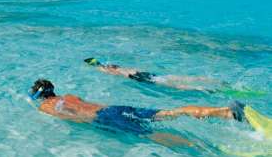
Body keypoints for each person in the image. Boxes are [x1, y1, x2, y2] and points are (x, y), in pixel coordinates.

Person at [29, 79, 249, 147]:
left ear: (38, 95)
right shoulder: (69, 95)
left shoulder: (44, 107)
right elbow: (79, 106)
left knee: (150, 136)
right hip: (113, 108)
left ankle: (201, 146)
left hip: (103, 119)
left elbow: (73, 119)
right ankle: (226, 112)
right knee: (170, 113)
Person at [84, 57, 221, 92]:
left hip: (138, 77)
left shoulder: (106, 69)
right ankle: (214, 81)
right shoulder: (114, 66)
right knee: (179, 78)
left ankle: (206, 89)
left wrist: (98, 68)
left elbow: (112, 73)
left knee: (177, 85)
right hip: (144, 73)